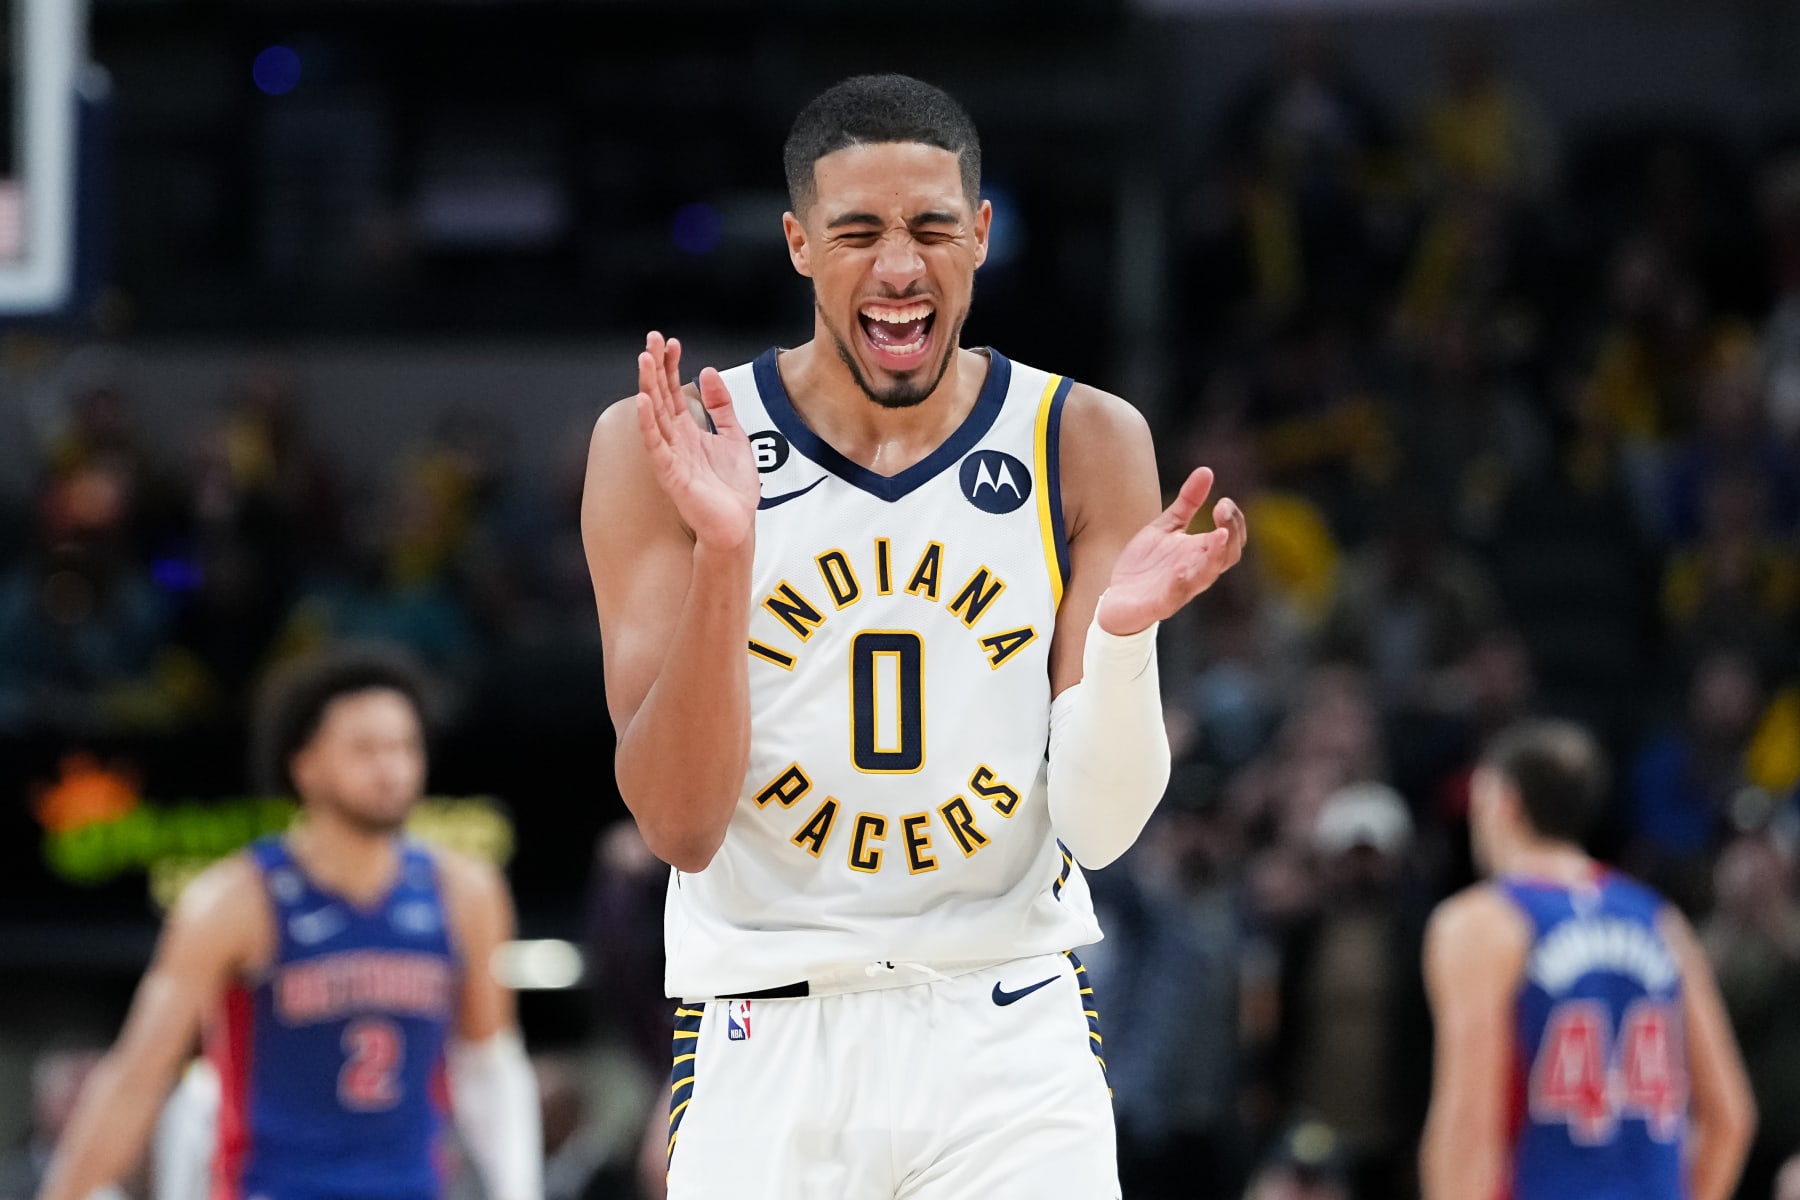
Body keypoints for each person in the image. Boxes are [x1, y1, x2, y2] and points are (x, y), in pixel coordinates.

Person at [580, 73, 1248, 1199]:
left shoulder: (1081, 438)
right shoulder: (671, 444)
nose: (900, 267)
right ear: (798, 245)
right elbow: (679, 826)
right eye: (858, 233)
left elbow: (1102, 824)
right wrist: (729, 558)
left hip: (1009, 1028)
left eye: (933, 228)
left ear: (980, 236)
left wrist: (1125, 647)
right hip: (767, 1033)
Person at [35, 647, 543, 1200]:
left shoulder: (464, 890)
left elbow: (489, 1069)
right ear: (304, 765)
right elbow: (138, 1079)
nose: (392, 768)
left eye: (404, 747)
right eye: (365, 750)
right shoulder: (234, 900)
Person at [1418, 719, 1755, 1200]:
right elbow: (1730, 1117)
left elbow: (1470, 1122)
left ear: (1502, 802)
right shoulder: (1660, 921)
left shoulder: (1483, 924)